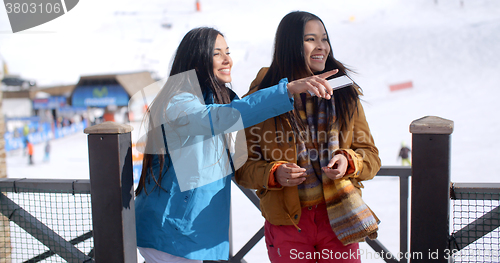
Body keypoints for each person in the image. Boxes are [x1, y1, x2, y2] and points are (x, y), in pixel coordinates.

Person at [134, 27, 338, 263]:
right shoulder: (180, 103)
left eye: (228, 52)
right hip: (171, 231)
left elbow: (247, 144)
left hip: (194, 234)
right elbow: (220, 117)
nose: (227, 59)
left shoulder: (222, 99)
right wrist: (288, 89)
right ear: (197, 60)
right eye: (217, 53)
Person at [235, 11, 381, 263]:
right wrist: (274, 173)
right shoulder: (262, 96)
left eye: (324, 39)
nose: (321, 47)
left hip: (339, 219)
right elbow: (242, 166)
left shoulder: (343, 91)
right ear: (290, 44)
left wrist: (349, 161)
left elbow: (371, 157)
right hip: (289, 223)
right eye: (310, 39)